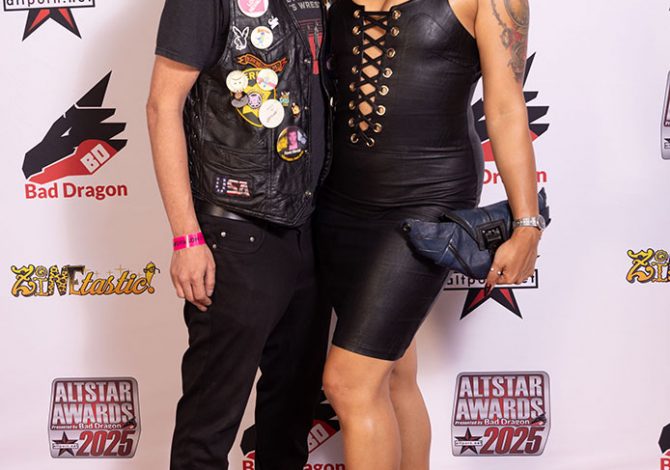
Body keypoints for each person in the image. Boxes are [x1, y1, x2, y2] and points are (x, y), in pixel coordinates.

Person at [316, 0, 543, 468]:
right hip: (340, 200)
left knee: (349, 382)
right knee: (393, 374)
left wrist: (527, 223)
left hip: (429, 199)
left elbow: (504, 108)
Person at [146, 0, 332, 468]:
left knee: (291, 417)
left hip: (310, 227)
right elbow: (162, 107)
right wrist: (186, 237)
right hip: (235, 231)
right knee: (210, 422)